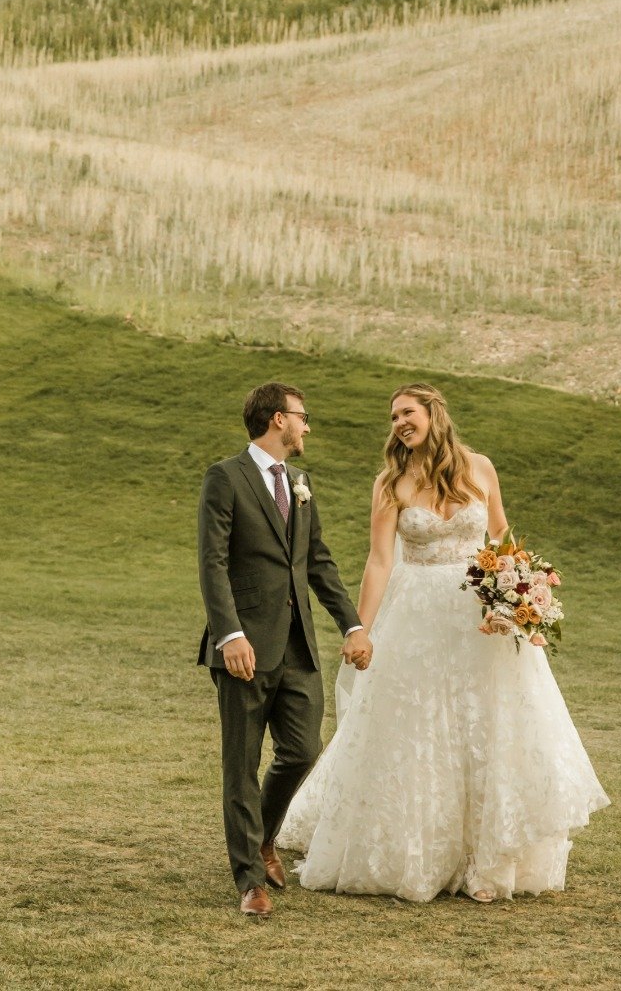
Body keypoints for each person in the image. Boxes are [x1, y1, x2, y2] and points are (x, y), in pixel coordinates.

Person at [278, 382, 609, 901]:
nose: (398, 423)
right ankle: (420, 852)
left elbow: (499, 537)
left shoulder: (479, 467)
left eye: (406, 412)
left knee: (490, 723)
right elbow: (380, 560)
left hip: (481, 618)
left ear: (433, 413)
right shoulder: (390, 482)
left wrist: (522, 599)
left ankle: (490, 860)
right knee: (420, 726)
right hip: (417, 618)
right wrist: (359, 626)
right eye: (392, 418)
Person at [196, 380, 374, 918]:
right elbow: (213, 563)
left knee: (301, 750)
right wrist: (230, 635)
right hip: (244, 647)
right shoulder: (224, 478)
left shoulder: (300, 482)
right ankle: (249, 880)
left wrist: (353, 626)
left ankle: (264, 837)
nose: (307, 426)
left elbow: (317, 561)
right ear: (278, 419)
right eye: (302, 416)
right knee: (241, 764)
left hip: (297, 648)